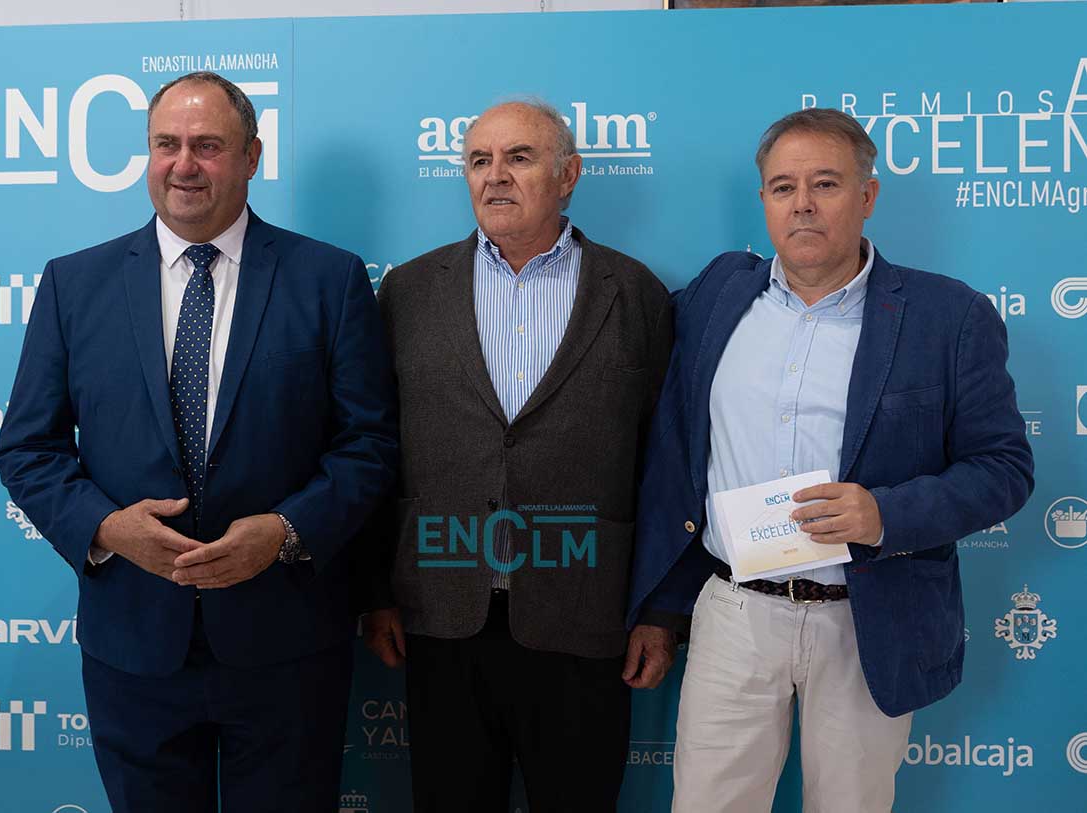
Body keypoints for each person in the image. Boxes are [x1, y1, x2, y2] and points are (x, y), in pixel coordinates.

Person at [0, 71, 398, 812]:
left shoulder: (328, 279)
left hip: (285, 641)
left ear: (252, 156)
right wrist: (106, 527)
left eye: (208, 145)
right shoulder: (74, 284)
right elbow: (27, 448)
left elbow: (367, 444)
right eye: (166, 144)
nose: (184, 164)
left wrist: (285, 531)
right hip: (133, 644)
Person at [629, 107, 1035, 812]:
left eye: (825, 183)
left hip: (866, 617)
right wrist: (661, 607)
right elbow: (675, 456)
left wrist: (884, 513)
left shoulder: (947, 316)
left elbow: (1003, 467)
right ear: (763, 201)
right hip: (734, 610)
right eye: (783, 187)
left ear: (867, 195)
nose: (803, 204)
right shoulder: (718, 295)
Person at [359, 100, 677, 813]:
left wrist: (659, 610)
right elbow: (375, 453)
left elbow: (664, 467)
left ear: (568, 175)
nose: (495, 176)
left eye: (519, 158)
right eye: (479, 160)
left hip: (584, 615)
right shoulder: (408, 291)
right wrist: (375, 592)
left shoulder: (634, 293)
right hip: (442, 614)